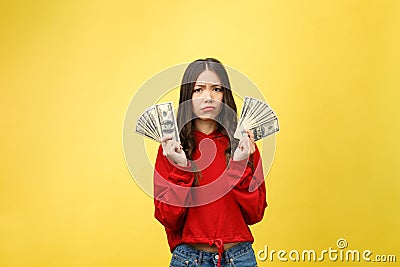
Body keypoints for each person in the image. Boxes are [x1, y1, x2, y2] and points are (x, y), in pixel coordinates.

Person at [153, 58, 267, 267]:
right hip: (188, 259)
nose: (208, 97)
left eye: (216, 89)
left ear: (225, 96)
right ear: (187, 96)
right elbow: (168, 218)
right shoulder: (171, 149)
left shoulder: (244, 146)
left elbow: (255, 213)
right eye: (198, 90)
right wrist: (181, 167)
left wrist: (239, 166)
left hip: (239, 258)